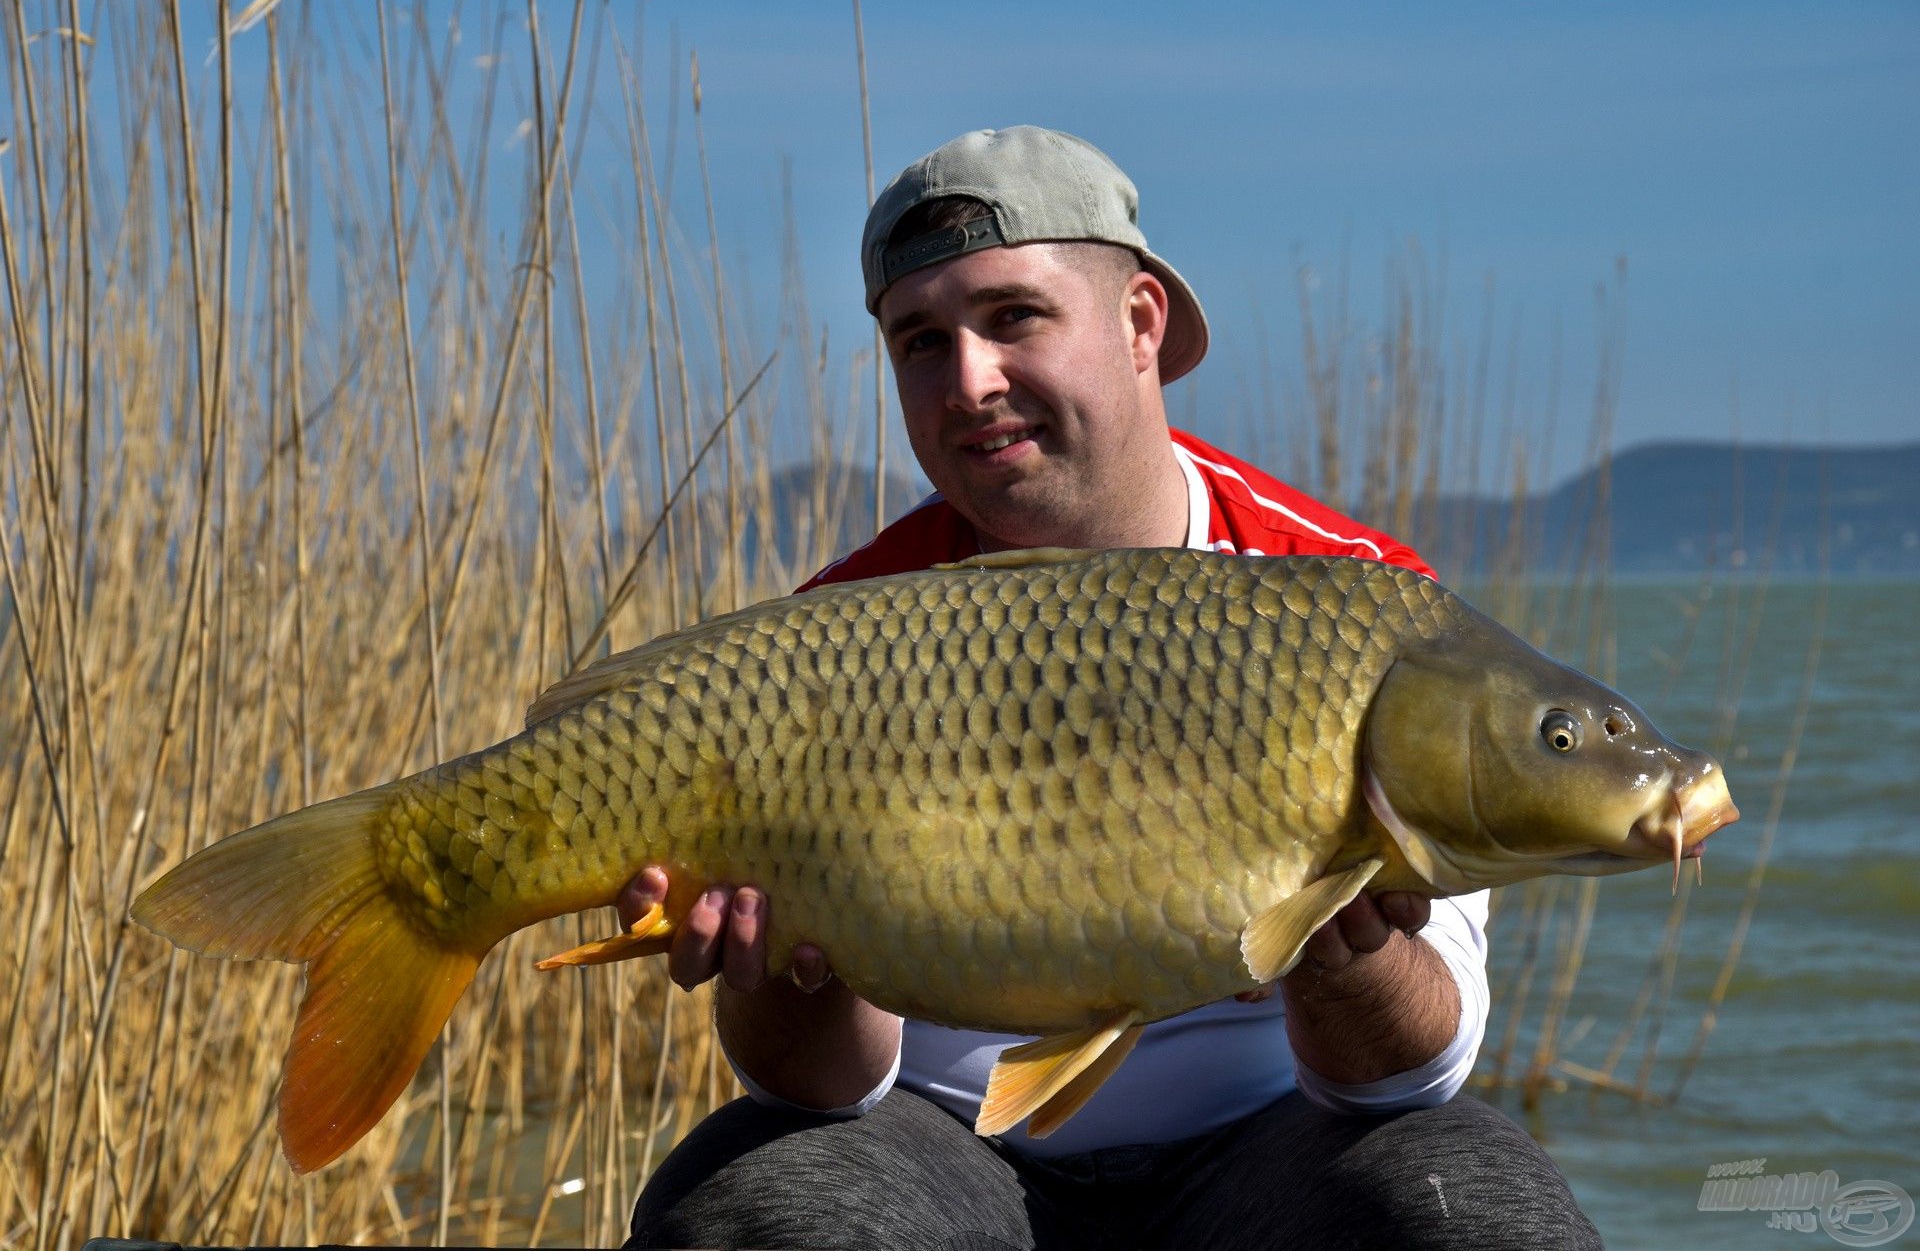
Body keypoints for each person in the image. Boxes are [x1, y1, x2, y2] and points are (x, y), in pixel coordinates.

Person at [619, 127, 1602, 1250]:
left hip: (1274, 1137)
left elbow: (1406, 1077)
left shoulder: (1368, 612)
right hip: (942, 1144)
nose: (971, 380)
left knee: (1474, 1205)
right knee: (754, 1202)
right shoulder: (836, 633)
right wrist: (777, 967)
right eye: (921, 342)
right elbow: (823, 1090)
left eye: (1013, 318)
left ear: (1140, 323)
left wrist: (1349, 945)